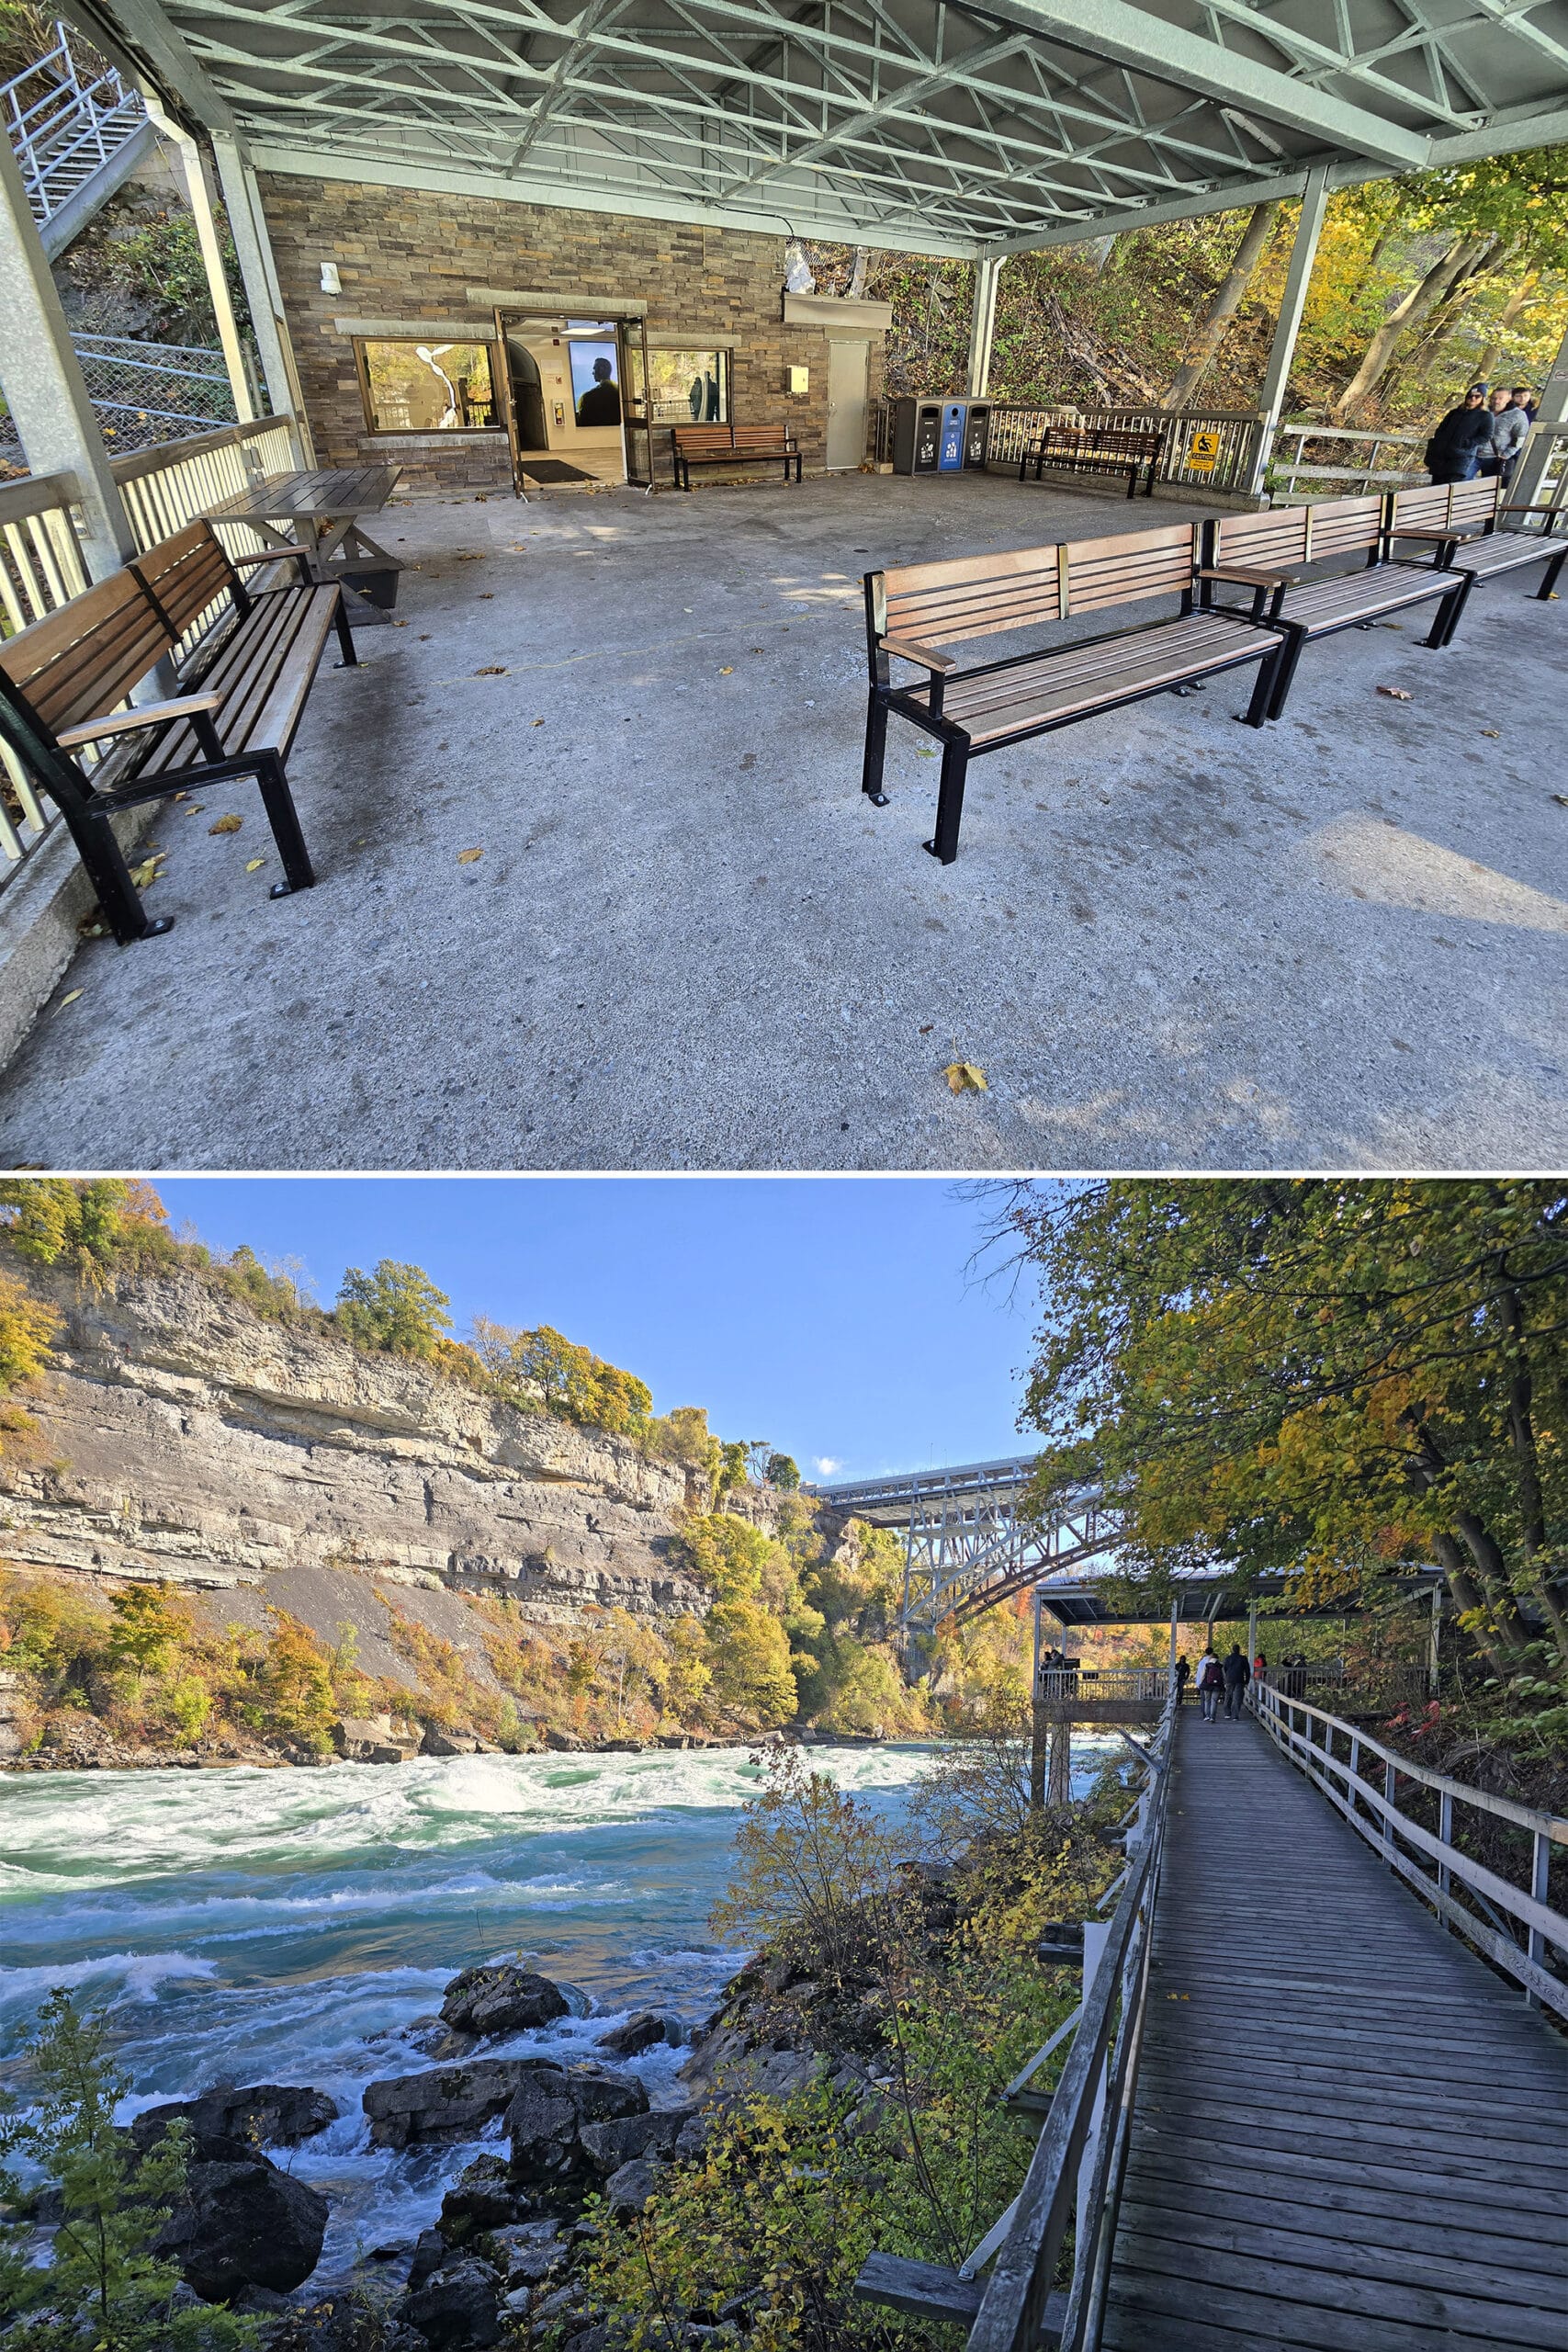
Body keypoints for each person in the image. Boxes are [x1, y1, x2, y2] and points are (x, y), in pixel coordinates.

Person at [1426, 385, 1495, 484]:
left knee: (1451, 485)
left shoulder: (1485, 416)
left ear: (1483, 399)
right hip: (1441, 456)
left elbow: (1486, 435)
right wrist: (1438, 443)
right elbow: (1441, 429)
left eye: (1477, 396)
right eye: (1470, 396)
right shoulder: (1454, 413)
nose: (1473, 398)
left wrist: (1468, 443)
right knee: (1436, 485)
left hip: (1461, 457)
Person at [1483, 388, 1529, 486]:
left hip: (1497, 457)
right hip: (1475, 455)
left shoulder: (1518, 415)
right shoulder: (1483, 410)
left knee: (1491, 487)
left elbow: (1520, 438)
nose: (1496, 401)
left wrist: (1507, 454)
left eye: (1500, 398)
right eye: (1494, 398)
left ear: (1509, 399)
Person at [575, 354, 622, 426]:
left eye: (594, 369)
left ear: (601, 370)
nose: (592, 373)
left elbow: (582, 422)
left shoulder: (588, 397)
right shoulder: (621, 393)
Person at [1222, 1643, 1251, 1720]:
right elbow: (1247, 1670)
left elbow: (1224, 1669)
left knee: (1228, 1696)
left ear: (1232, 1650)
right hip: (1239, 1679)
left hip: (1229, 1679)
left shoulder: (1227, 1658)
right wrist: (1247, 1681)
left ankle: (1227, 1713)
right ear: (1239, 1650)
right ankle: (1235, 1715)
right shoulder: (1243, 1658)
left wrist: (1225, 1679)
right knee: (1237, 1697)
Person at [1195, 1648, 1223, 1723]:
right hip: (1217, 1685)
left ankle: (1207, 1716)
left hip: (1207, 1685)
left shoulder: (1206, 1664)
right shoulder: (1220, 1665)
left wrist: (1200, 1684)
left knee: (1207, 1700)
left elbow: (1202, 1675)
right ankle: (1212, 1717)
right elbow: (1224, 1676)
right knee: (1214, 1701)